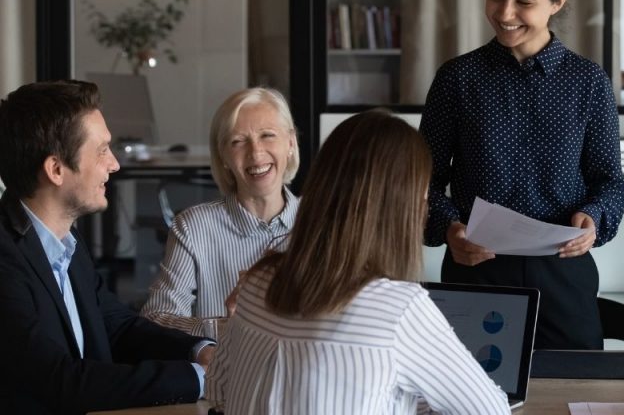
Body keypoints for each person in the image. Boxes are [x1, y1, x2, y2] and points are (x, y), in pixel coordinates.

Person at [206, 111, 509, 414]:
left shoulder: (258, 282)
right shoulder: (398, 309)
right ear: (408, 202)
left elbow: (217, 390)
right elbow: (491, 410)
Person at [419, 0, 624, 350]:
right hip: (475, 270)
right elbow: (422, 181)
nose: (505, 12)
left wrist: (593, 218)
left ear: (558, 2)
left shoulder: (587, 82)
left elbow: (611, 183)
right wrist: (450, 229)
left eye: (524, 1)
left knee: (574, 395)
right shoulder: (458, 78)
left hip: (562, 274)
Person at [0, 80, 211, 413]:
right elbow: (59, 380)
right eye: (101, 151)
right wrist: (200, 379)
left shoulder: (66, 240)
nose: (114, 164)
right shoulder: (5, 257)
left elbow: (116, 325)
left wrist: (199, 351)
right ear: (56, 169)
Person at [141, 87, 299, 335]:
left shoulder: (323, 223)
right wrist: (226, 327)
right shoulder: (193, 227)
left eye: (267, 135)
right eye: (238, 141)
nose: (256, 153)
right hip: (223, 371)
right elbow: (156, 320)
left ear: (290, 143)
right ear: (223, 156)